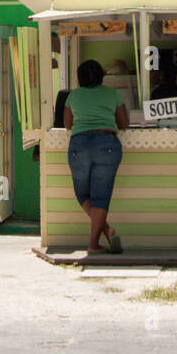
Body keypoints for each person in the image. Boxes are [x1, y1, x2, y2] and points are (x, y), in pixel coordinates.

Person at [63, 59, 128, 254]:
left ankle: (104, 233)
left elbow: (67, 124)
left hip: (79, 145)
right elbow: (123, 123)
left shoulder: (73, 96)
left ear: (79, 78)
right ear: (101, 76)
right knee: (101, 196)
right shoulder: (113, 94)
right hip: (107, 143)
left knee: (82, 194)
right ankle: (98, 238)